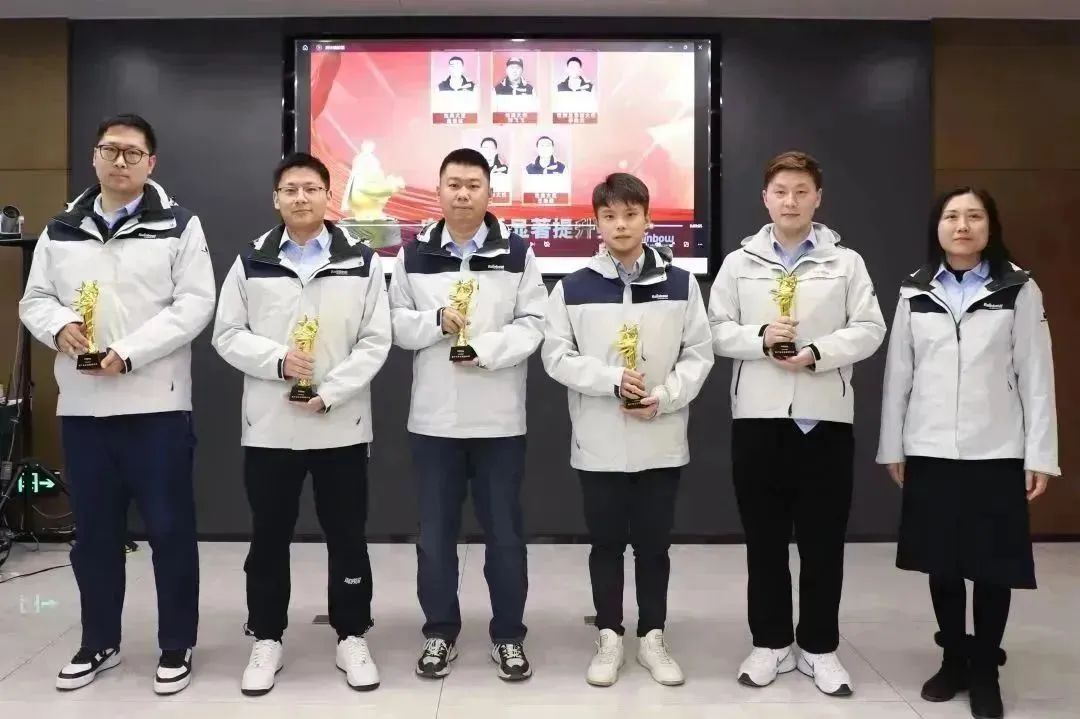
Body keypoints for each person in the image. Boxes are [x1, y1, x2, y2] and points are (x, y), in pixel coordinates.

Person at [19, 113, 215, 695]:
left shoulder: (180, 225)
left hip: (156, 407)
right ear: (95, 157)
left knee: (170, 532)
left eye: (132, 153)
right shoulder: (62, 227)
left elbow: (195, 304)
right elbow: (34, 299)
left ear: (151, 163)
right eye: (110, 150)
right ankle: (98, 641)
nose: (120, 161)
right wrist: (59, 326)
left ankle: (175, 644)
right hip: (83, 410)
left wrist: (128, 352)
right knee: (94, 538)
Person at [212, 152, 391, 696]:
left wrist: (331, 392)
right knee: (269, 536)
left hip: (340, 424)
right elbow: (227, 333)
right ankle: (266, 636)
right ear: (276, 199)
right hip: (271, 426)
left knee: (347, 535)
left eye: (311, 188)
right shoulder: (251, 260)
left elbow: (375, 340)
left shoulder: (361, 260)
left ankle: (352, 634)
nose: (300, 198)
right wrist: (278, 362)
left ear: (327, 196)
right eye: (290, 189)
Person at [708, 151, 885, 697]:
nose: (791, 201)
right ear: (765, 198)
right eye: (781, 191)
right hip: (758, 421)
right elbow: (713, 328)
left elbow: (870, 328)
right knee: (764, 543)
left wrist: (817, 354)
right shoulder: (739, 263)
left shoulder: (846, 263)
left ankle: (819, 647)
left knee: (823, 543)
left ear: (818, 198)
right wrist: (759, 338)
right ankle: (770, 643)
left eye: (801, 191)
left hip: (823, 422)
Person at [877, 188, 1058, 719]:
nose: (962, 226)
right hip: (930, 449)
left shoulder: (1019, 288)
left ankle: (985, 668)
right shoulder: (914, 290)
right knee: (943, 561)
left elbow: (1037, 376)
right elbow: (898, 376)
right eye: (952, 216)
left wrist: (1039, 454)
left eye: (974, 216)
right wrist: (894, 445)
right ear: (937, 227)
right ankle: (953, 656)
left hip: (996, 450)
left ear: (990, 226)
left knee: (992, 565)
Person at [542, 173, 713, 687]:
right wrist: (610, 380)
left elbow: (698, 354)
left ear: (648, 219)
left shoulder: (681, 283)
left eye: (630, 215)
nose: (620, 225)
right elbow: (556, 357)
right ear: (596, 223)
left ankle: (652, 636)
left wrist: (664, 397)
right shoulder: (573, 287)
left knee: (654, 547)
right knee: (606, 544)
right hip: (599, 442)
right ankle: (610, 635)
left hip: (661, 439)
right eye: (610, 216)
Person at [388, 148, 547, 682]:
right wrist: (435, 321)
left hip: (499, 421)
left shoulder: (517, 252)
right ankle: (439, 632)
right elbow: (394, 323)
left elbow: (534, 323)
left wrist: (487, 348)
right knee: (435, 537)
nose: (462, 194)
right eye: (453, 184)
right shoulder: (412, 254)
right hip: (434, 421)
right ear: (438, 191)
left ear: (489, 192)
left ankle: (509, 636)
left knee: (505, 535)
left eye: (473, 185)